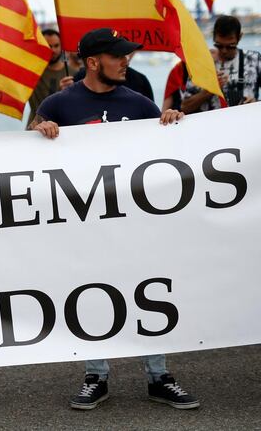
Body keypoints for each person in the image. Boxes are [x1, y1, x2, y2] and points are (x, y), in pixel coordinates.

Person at [30, 28, 199, 411]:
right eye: (117, 55)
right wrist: (39, 131)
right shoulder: (59, 104)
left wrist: (172, 121)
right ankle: (96, 375)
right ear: (93, 62)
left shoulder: (140, 104)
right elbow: (26, 152)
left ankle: (159, 376)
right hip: (84, 223)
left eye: (126, 54)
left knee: (147, 292)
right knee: (91, 294)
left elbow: (162, 151)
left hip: (135, 222)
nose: (126, 61)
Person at [179, 15, 259, 113]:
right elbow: (184, 107)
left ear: (240, 37)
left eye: (231, 46)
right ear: (213, 37)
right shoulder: (202, 64)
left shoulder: (254, 59)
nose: (224, 51)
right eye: (219, 45)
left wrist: (257, 103)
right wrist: (209, 90)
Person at [26, 29, 74, 126]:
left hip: (64, 130)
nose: (53, 50)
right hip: (36, 130)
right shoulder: (31, 72)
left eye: (56, 46)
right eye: (49, 46)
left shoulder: (72, 74)